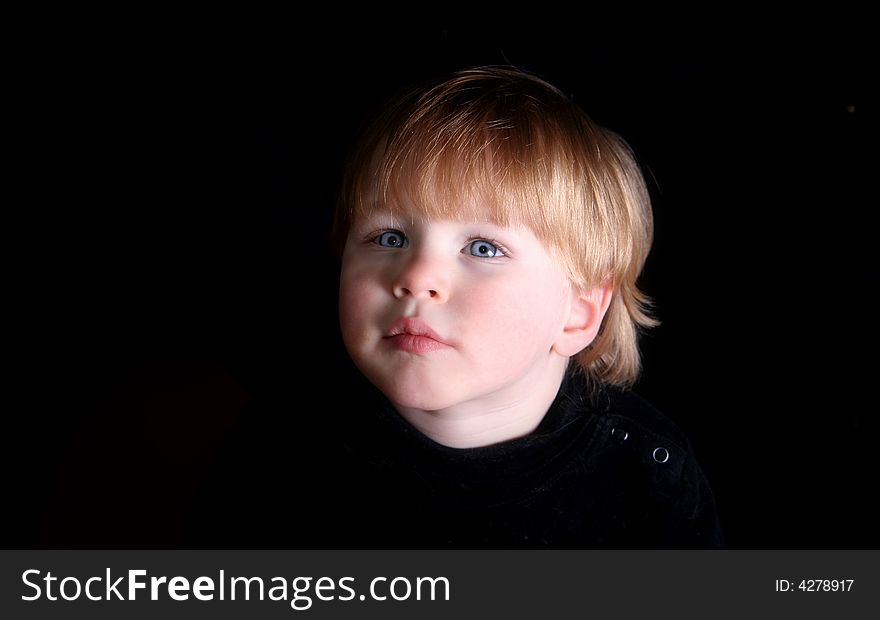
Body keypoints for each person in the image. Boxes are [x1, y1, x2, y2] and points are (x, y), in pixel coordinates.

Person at [189, 66, 724, 549]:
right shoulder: (285, 449)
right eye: (390, 237)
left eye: (483, 248)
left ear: (578, 313)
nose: (417, 278)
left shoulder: (645, 475)